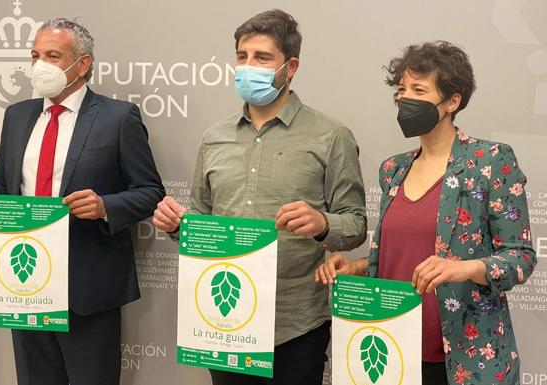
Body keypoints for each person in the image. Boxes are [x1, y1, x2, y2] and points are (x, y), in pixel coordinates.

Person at [153, 9, 367, 385]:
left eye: (262, 58)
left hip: (295, 323)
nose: (248, 66)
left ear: (291, 66)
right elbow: (202, 224)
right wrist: (178, 227)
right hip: (225, 318)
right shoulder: (214, 136)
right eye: (242, 56)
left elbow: (355, 224)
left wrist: (322, 225)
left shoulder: (331, 136)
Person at [316, 41, 536, 385]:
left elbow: (521, 259)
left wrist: (465, 268)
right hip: (391, 349)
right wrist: (358, 267)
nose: (405, 99)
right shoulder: (393, 169)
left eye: (418, 89)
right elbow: (400, 255)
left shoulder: (491, 161)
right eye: (401, 90)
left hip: (463, 357)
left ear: (452, 101)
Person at [0, 18, 164, 385]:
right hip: (24, 284)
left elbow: (151, 192)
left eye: (53, 55)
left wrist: (105, 206)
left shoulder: (118, 119)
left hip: (86, 286)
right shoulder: (17, 115)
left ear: (82, 64)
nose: (40, 65)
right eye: (35, 55)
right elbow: (3, 183)